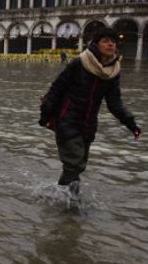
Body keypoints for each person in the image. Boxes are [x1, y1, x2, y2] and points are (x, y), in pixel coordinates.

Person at [39, 27, 142, 195]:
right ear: (96, 44)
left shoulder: (113, 71)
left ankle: (61, 198)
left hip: (88, 125)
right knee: (74, 164)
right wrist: (45, 115)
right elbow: (57, 88)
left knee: (79, 165)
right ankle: (69, 207)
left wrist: (132, 124)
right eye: (105, 41)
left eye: (113, 41)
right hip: (67, 120)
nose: (110, 44)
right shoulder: (79, 63)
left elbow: (114, 103)